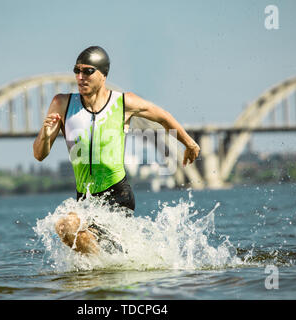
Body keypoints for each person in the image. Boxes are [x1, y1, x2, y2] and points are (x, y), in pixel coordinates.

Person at [33, 46, 200, 254]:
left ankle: (105, 270)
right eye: (77, 70)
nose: (80, 77)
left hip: (117, 195)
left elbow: (163, 116)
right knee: (65, 228)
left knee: (78, 233)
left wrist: (189, 143)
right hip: (85, 197)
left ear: (103, 75)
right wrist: (45, 136)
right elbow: (39, 155)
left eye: (87, 71)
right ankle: (106, 267)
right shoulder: (62, 103)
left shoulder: (123, 102)